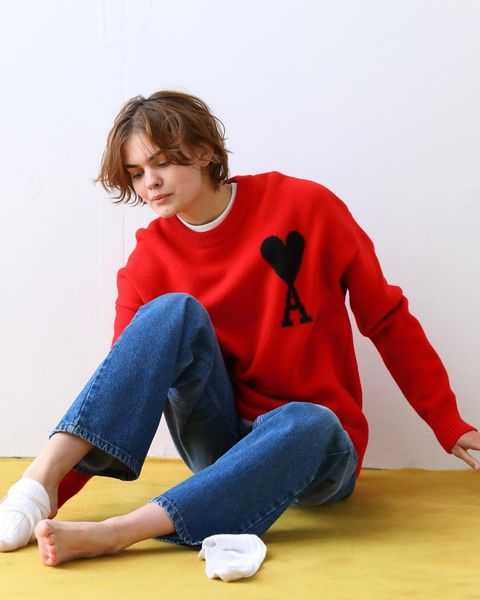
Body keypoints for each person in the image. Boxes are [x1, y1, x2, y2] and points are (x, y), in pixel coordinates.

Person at [1, 90, 479, 569]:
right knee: (171, 311)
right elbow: (124, 387)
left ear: (205, 151)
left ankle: (119, 532)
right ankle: (38, 485)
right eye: (136, 173)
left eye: (162, 163)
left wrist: (447, 422)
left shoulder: (307, 207)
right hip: (222, 445)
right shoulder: (148, 261)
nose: (150, 183)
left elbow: (386, 318)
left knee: (312, 420)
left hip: (316, 451)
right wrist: (59, 491)